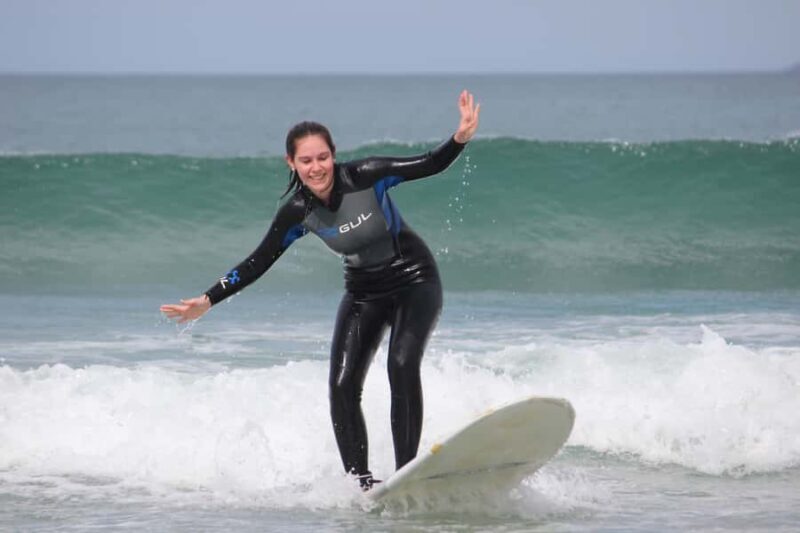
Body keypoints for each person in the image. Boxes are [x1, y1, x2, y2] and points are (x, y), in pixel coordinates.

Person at [160, 90, 480, 490]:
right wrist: (209, 299)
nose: (316, 168)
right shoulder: (298, 212)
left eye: (323, 157)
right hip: (363, 292)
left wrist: (459, 138)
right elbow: (258, 261)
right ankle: (361, 483)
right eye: (306, 160)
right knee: (342, 385)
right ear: (291, 163)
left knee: (400, 364)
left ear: (334, 155)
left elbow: (428, 164)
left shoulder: (366, 176)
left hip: (414, 279)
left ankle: (406, 473)